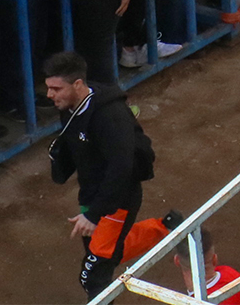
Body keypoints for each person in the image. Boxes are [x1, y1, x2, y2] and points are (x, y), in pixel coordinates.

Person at [45, 50, 152, 296]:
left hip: (117, 203)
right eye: (48, 88)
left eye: (56, 89)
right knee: (101, 251)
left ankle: (168, 229)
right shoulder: (70, 105)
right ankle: (168, 227)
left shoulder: (109, 117)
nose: (50, 95)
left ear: (78, 84)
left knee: (93, 277)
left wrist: (93, 215)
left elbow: (121, 168)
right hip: (91, 196)